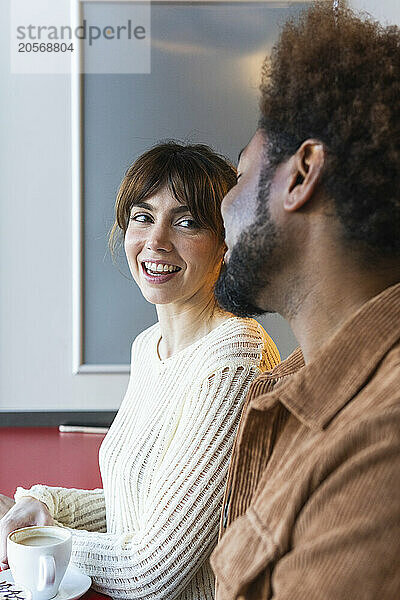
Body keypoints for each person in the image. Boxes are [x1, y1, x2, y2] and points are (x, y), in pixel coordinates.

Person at [0, 142, 280, 599]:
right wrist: (40, 505)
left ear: (226, 242)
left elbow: (151, 572)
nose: (156, 241)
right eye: (143, 216)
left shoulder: (233, 360)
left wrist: (44, 541)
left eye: (186, 222)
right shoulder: (148, 347)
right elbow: (135, 505)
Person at [211, 2, 400, 598]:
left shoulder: (381, 442)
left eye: (239, 177)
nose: (223, 208)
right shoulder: (295, 387)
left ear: (301, 175)